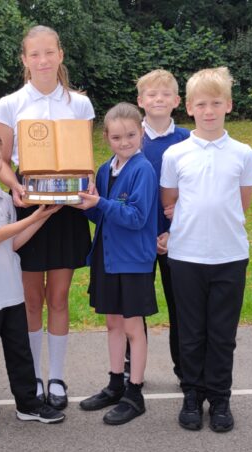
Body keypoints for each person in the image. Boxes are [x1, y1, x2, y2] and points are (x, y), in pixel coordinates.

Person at [0, 25, 95, 409]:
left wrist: (87, 186)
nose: (42, 60)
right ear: (24, 59)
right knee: (31, 300)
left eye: (49, 52)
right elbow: (2, 160)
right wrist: (15, 188)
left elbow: (84, 161)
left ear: (60, 55)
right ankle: (34, 376)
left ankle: (57, 378)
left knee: (59, 297)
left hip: (67, 208)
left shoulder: (80, 104)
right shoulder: (10, 103)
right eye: (34, 54)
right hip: (29, 205)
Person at [161, 67, 252, 433]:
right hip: (186, 257)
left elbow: (241, 203)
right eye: (201, 104)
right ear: (189, 107)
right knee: (190, 331)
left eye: (216, 103)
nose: (209, 110)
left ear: (228, 105)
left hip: (229, 256)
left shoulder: (243, 153)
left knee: (221, 333)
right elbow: (170, 200)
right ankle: (191, 395)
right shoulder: (176, 154)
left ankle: (219, 398)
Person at [0, 126, 66, 436]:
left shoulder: (3, 199)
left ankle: (27, 404)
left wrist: (42, 216)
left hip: (10, 290)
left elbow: (13, 243)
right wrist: (31, 217)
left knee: (20, 353)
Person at [73, 103, 158, 425]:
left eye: (131, 135)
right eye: (117, 137)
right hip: (107, 258)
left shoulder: (143, 170)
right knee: (112, 324)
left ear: (142, 133)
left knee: (133, 327)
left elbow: (136, 218)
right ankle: (114, 383)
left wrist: (102, 203)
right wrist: (85, 205)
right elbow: (102, 216)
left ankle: (135, 393)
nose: (125, 142)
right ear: (106, 138)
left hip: (133, 261)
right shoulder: (106, 168)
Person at [136, 69, 191, 383]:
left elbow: (194, 191)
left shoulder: (187, 139)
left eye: (165, 94)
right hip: (138, 239)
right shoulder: (131, 137)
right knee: (134, 309)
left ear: (177, 100)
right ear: (141, 100)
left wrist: (173, 230)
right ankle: (133, 373)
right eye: (151, 94)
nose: (158, 99)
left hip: (177, 239)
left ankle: (185, 371)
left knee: (180, 308)